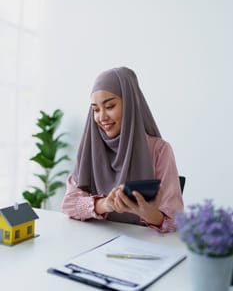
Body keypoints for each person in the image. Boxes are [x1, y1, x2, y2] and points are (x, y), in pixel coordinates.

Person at [61, 67, 183, 232]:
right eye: (96, 110)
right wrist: (105, 204)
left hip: (144, 247)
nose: (102, 117)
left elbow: (174, 221)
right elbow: (69, 204)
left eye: (110, 106)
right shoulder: (90, 149)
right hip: (95, 244)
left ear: (130, 105)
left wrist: (150, 214)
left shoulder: (159, 150)